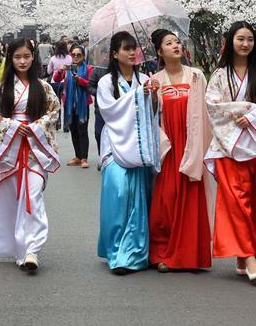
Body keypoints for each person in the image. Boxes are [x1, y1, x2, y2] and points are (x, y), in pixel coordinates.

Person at [204, 22, 256, 281]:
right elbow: (213, 107)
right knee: (237, 202)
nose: (245, 44)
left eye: (249, 39)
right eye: (240, 39)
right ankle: (249, 257)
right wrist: (245, 111)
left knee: (253, 202)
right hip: (229, 146)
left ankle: (241, 256)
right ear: (231, 41)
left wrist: (253, 116)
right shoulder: (219, 75)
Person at [0, 38, 61, 271]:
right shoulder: (1, 89)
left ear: (33, 57)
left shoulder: (44, 87)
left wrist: (36, 126)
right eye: (17, 57)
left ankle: (32, 250)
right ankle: (20, 248)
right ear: (11, 59)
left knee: (34, 195)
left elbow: (54, 112)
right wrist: (12, 126)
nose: (22, 61)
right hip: (10, 148)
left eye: (26, 56)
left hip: (35, 148)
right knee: (13, 198)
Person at [149, 29, 214, 272]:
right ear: (159, 51)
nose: (176, 46)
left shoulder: (196, 76)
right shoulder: (155, 80)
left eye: (177, 42)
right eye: (169, 43)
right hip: (169, 145)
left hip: (192, 143)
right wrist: (152, 96)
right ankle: (163, 252)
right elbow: (152, 117)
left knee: (191, 196)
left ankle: (189, 254)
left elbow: (205, 113)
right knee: (166, 200)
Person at [96, 31, 160, 275]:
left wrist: (153, 96)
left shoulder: (144, 78)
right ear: (115, 54)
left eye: (134, 48)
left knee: (139, 197)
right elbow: (108, 112)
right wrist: (135, 95)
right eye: (126, 49)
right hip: (115, 144)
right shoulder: (106, 83)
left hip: (139, 146)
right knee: (119, 193)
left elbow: (154, 112)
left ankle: (133, 252)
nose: (132, 53)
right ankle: (115, 250)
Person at [51, 44, 92, 168]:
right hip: (69, 104)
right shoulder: (68, 68)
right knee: (73, 130)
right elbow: (56, 78)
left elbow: (90, 85)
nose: (75, 57)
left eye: (78, 55)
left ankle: (84, 157)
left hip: (83, 104)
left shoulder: (88, 69)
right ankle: (78, 156)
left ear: (83, 56)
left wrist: (79, 80)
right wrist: (60, 70)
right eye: (73, 55)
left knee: (82, 130)